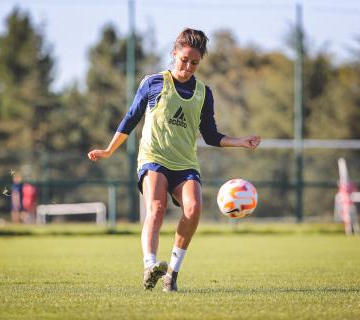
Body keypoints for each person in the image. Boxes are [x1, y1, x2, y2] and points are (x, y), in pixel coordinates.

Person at [88, 28, 261, 292]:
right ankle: (149, 266)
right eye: (184, 60)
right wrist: (109, 150)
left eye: (195, 62)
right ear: (174, 54)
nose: (189, 66)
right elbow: (131, 118)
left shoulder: (204, 93)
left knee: (193, 210)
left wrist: (240, 141)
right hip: (153, 158)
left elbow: (211, 135)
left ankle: (172, 274)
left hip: (185, 164)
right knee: (156, 208)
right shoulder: (153, 83)